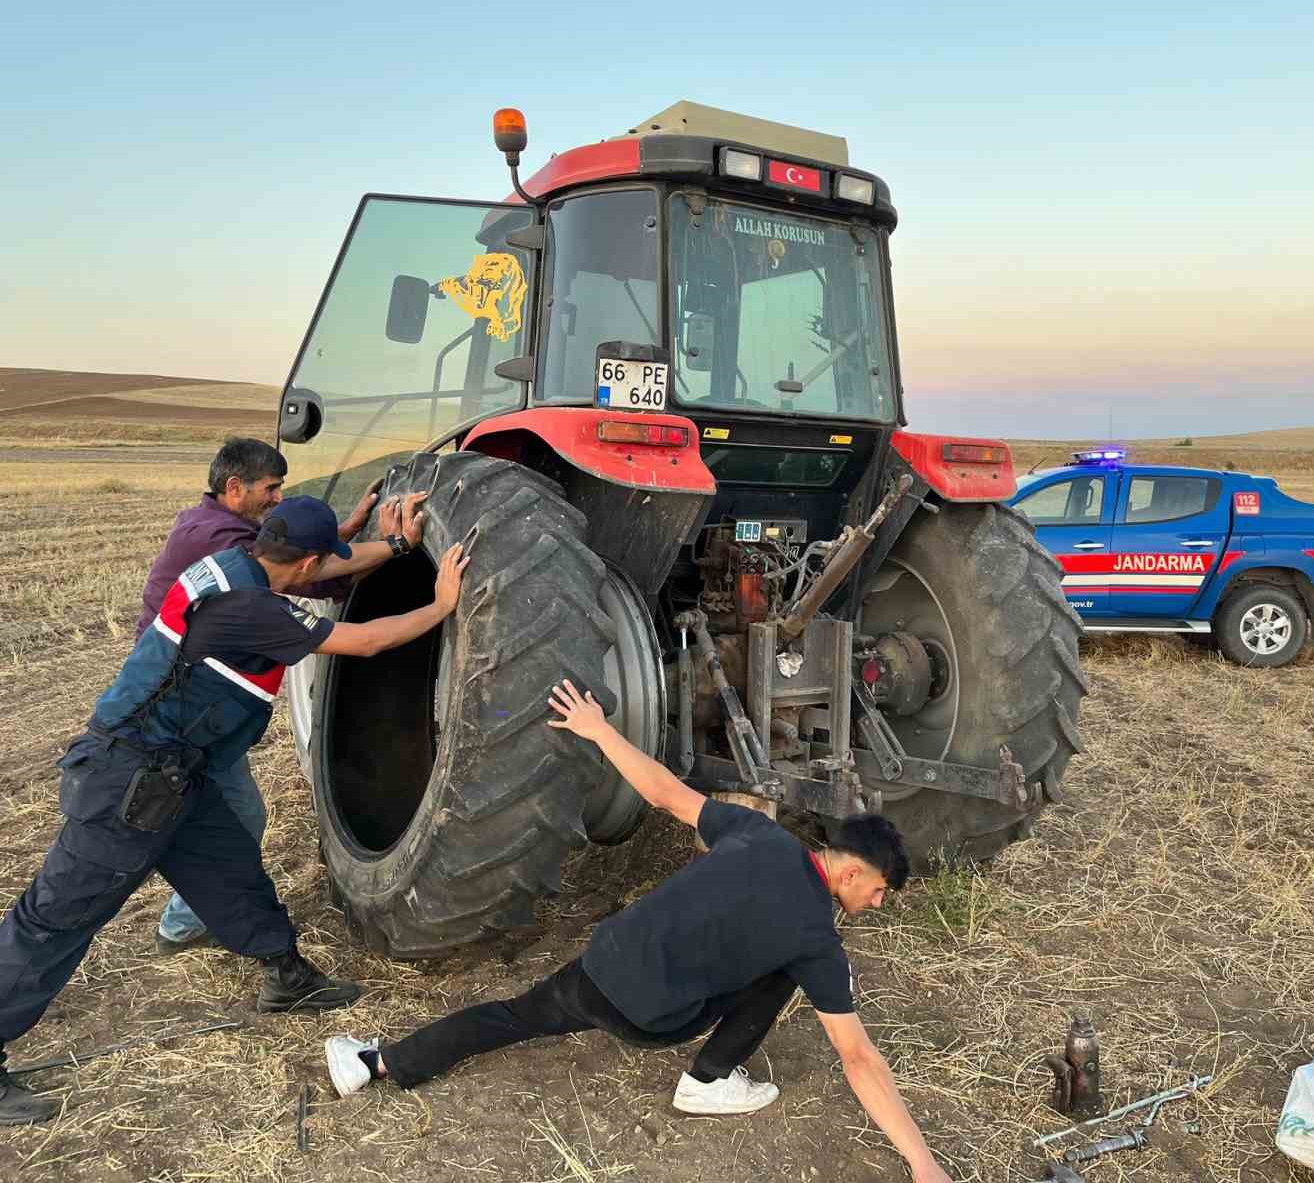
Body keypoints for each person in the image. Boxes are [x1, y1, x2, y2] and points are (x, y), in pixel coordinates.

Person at [324, 680, 955, 1183]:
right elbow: (859, 1058)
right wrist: (922, 1163)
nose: (875, 904)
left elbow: (664, 793)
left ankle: (375, 1063)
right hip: (656, 1020)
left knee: (510, 1017)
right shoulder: (819, 941)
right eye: (876, 890)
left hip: (603, 966)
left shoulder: (759, 833)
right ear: (852, 868)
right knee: (786, 967)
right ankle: (707, 1081)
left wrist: (599, 729)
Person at [0, 497, 471, 1126]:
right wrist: (441, 605)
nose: (327, 569)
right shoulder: (253, 610)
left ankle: (287, 976)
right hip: (128, 783)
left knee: (230, 872)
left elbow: (334, 563)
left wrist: (395, 545)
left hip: (172, 774)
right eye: (322, 562)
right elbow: (364, 642)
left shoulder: (231, 564)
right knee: (55, 917)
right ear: (304, 562)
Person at [135, 437, 424, 954]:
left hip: (191, 704)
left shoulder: (218, 530)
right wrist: (398, 549)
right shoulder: (220, 538)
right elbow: (334, 598)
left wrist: (342, 533)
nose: (276, 498)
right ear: (233, 487)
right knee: (212, 816)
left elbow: (298, 562)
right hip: (179, 708)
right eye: (271, 490)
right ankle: (186, 924)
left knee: (221, 813)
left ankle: (186, 920)